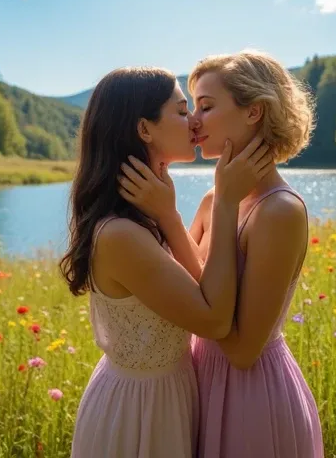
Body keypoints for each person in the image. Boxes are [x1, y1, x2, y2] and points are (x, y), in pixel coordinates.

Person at [59, 66, 272, 458]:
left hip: (167, 399)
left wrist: (169, 216)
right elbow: (214, 319)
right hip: (138, 412)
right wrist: (224, 203)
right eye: (180, 110)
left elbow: (202, 286)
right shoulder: (121, 235)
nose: (193, 121)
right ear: (144, 130)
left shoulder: (147, 214)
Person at [119, 51, 324, 457]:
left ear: (254, 112)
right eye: (192, 107)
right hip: (202, 385)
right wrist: (168, 214)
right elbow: (195, 289)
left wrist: (188, 214)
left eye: (206, 107)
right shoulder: (217, 198)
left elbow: (243, 349)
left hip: (252, 399)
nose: (193, 120)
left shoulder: (280, 210)